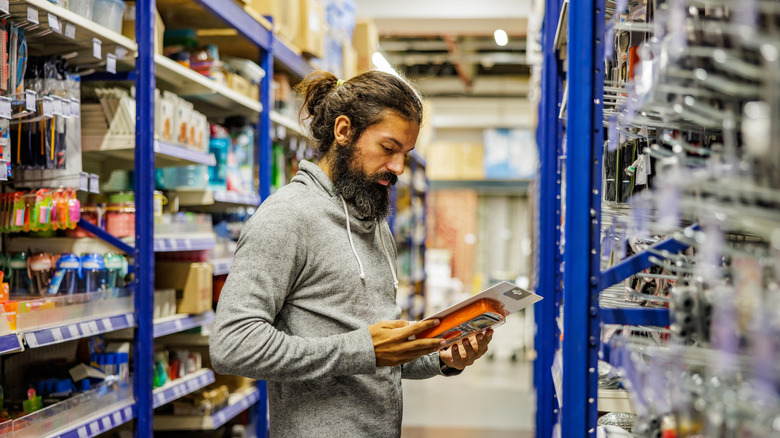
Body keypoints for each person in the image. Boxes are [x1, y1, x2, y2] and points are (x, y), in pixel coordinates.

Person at [210, 70, 493, 437]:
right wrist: (364, 349)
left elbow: (378, 353)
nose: (398, 168)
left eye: (405, 154)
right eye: (388, 149)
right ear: (344, 131)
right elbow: (232, 345)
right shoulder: (287, 217)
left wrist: (439, 356)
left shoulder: (372, 219)